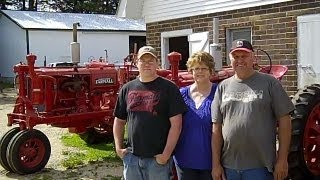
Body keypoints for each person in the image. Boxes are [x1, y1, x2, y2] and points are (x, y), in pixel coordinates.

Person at [211, 39, 294, 180]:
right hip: (229, 166)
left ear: (254, 58)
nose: (240, 60)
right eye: (236, 57)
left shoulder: (270, 83)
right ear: (230, 59)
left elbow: (285, 121)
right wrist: (216, 164)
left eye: (244, 56)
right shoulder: (223, 86)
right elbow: (216, 127)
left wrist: (282, 159)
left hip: (261, 166)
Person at [113, 45, 187, 180]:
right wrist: (119, 148)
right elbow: (119, 120)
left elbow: (176, 124)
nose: (147, 64)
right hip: (132, 158)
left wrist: (165, 155)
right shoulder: (127, 88)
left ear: (157, 63)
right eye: (143, 60)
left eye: (151, 60)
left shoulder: (169, 88)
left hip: (157, 160)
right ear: (136, 63)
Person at [173, 51, 217, 180]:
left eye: (204, 68)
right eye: (196, 68)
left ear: (210, 71)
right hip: (184, 160)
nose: (200, 72)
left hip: (210, 161)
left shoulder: (219, 92)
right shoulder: (181, 94)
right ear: (190, 71)